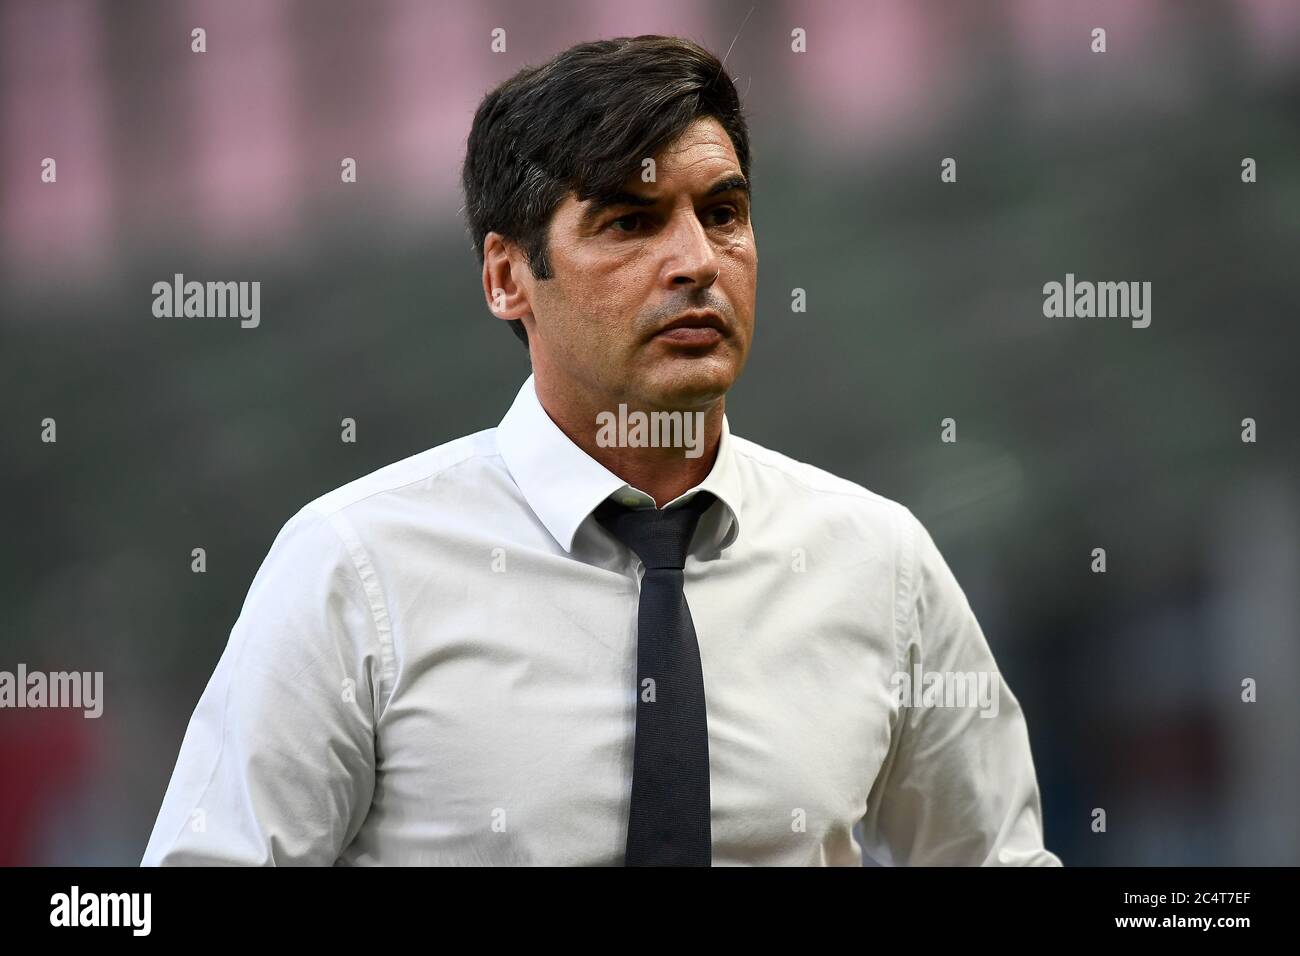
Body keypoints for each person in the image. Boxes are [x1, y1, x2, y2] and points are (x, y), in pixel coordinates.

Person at [142, 35, 1060, 867]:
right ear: (508, 277)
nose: (697, 259)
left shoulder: (879, 561)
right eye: (631, 221)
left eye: (724, 211)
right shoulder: (353, 568)